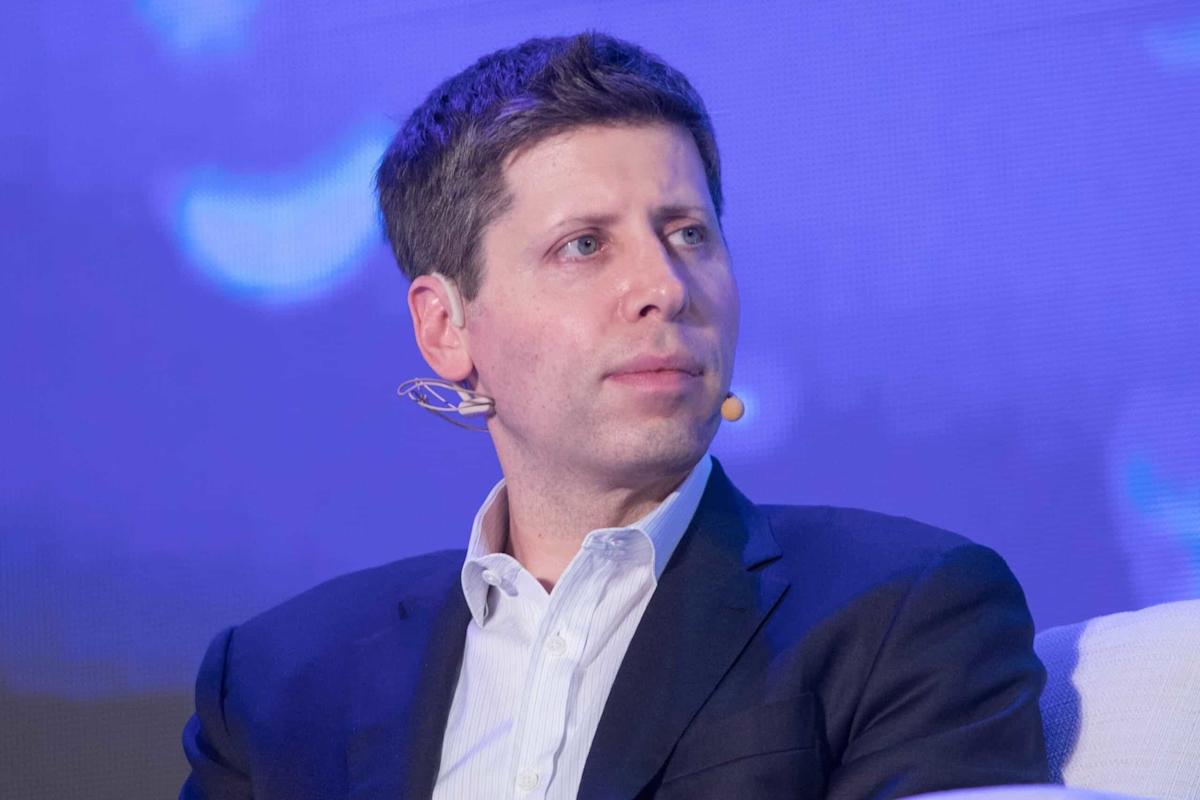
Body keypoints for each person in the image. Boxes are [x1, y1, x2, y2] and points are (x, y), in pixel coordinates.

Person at [180, 32, 1049, 799]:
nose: (665, 288)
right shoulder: (277, 681)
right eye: (584, 245)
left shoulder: (902, 615)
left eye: (689, 234)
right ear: (446, 326)